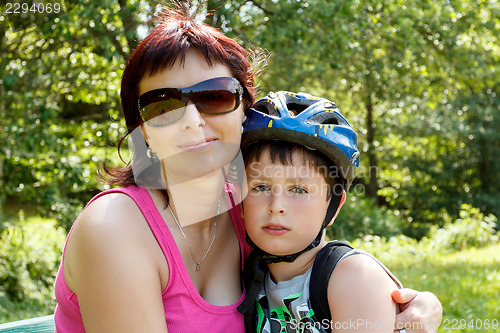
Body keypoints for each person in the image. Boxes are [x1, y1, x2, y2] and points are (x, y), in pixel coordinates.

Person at [52, 1, 441, 332]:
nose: (191, 120)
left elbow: (330, 266)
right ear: (143, 131)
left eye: (215, 96)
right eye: (163, 105)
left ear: (245, 111)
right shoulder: (115, 227)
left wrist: (418, 303)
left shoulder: (250, 210)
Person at [238, 91, 440, 333]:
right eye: (260, 187)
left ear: (333, 205)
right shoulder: (248, 274)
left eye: (299, 190)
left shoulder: (352, 278)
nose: (276, 205)